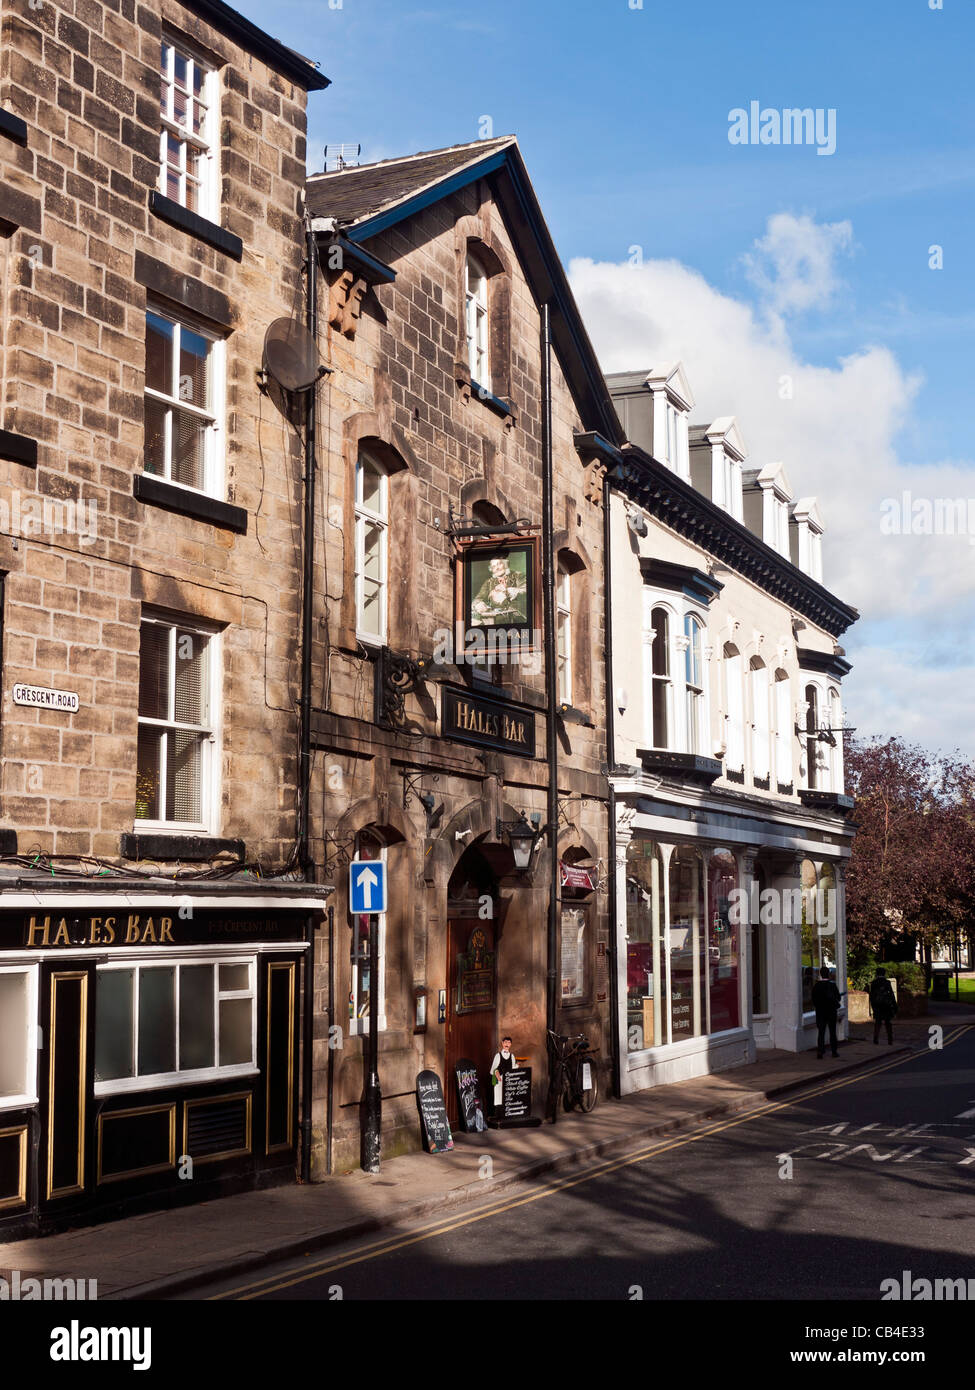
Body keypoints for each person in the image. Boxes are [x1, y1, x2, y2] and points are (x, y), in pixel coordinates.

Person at [811, 965, 841, 1058]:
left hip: (820, 1012)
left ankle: (820, 1051)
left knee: (821, 1032)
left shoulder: (816, 986)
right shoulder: (832, 985)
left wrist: (818, 1007)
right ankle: (834, 1052)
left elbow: (813, 999)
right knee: (832, 1032)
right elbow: (838, 998)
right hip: (831, 1011)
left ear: (820, 974)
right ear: (829, 974)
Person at [869, 967, 898, 1044]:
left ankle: (875, 1039)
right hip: (886, 1006)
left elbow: (871, 996)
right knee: (888, 1023)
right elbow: (891, 995)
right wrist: (895, 1007)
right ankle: (890, 1040)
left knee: (878, 1023)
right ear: (884, 973)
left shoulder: (874, 983)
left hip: (877, 1006)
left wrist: (873, 1007)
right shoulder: (887, 982)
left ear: (877, 973)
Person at [489, 1035, 515, 1116]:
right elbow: (492, 1069)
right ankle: (499, 1116)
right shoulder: (498, 1055)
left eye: (509, 1042)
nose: (507, 1044)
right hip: (499, 1080)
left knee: (508, 1098)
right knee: (499, 1098)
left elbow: (513, 1068)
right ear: (502, 1043)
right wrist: (497, 1074)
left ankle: (508, 1115)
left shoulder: (512, 1056)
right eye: (505, 1042)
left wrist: (517, 1066)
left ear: (511, 1044)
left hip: (509, 1081)